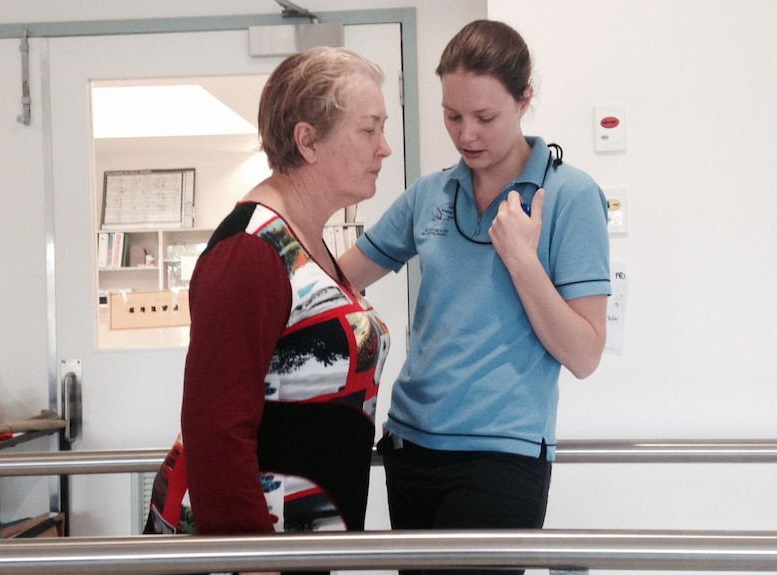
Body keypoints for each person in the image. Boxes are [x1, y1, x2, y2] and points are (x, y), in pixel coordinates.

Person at [338, 19, 611, 575]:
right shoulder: (429, 194)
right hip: (411, 443)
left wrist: (521, 259)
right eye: (452, 115)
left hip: (502, 455)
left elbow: (584, 355)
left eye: (485, 117)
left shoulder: (571, 196)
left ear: (524, 99)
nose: (467, 135)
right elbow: (341, 277)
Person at [143, 46, 392, 574]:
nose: (385, 148)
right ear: (308, 141)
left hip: (297, 535)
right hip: (257, 543)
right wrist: (254, 559)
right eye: (369, 130)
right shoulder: (249, 254)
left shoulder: (305, 241)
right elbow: (215, 427)